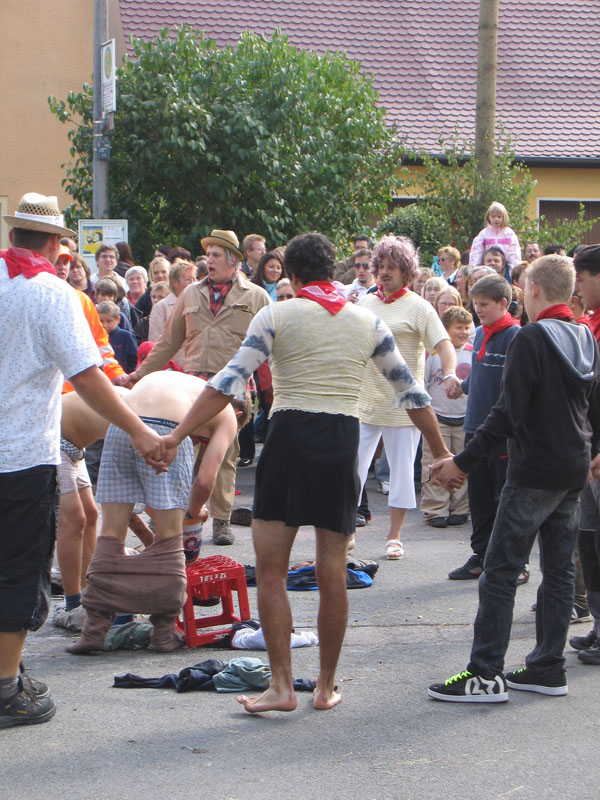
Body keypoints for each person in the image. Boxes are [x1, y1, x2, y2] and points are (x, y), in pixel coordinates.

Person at [158, 232, 450, 713]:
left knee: (271, 572)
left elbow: (227, 382)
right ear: (332, 270)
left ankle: (281, 687)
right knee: (332, 570)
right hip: (340, 444)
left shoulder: (276, 314)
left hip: (289, 440)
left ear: (291, 275)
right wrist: (440, 452)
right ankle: (326, 687)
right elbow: (411, 391)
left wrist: (176, 435)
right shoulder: (368, 320)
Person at [0, 192, 166, 728]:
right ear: (55, 245)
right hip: (20, 456)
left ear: (13, 236)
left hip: (20, 450)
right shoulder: (52, 293)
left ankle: (7, 669)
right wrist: (139, 430)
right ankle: (5, 689)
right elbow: (88, 377)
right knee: (19, 571)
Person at [428, 254, 600, 702]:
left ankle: (485, 674)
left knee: (501, 571)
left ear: (534, 289)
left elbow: (506, 412)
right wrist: (593, 450)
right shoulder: (584, 334)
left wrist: (462, 462)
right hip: (573, 467)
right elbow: (593, 405)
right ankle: (547, 667)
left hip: (535, 468)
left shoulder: (532, 337)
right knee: (559, 571)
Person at [65, 371, 250, 655]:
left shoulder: (180, 382)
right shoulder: (226, 412)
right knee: (169, 544)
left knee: (110, 537)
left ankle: (94, 630)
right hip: (166, 428)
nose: (201, 439)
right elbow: (205, 481)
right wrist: (192, 513)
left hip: (124, 427)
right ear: (238, 414)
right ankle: (163, 633)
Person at [127, 229, 270, 546]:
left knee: (225, 457)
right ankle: (165, 514)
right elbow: (168, 342)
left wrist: (273, 392)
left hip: (233, 389)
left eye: (216, 255)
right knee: (178, 452)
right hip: (190, 389)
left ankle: (221, 520)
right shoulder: (190, 294)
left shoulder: (257, 296)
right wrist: (139, 375)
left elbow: (271, 349)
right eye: (208, 255)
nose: (209, 260)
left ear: (233, 260)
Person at [356, 235, 459, 561]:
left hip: (405, 408)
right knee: (351, 470)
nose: (385, 272)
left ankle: (394, 536)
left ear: (407, 271)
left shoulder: (419, 306)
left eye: (393, 267)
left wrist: (450, 372)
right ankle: (345, 532)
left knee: (400, 473)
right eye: (381, 266)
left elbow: (444, 345)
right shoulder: (365, 303)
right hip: (364, 401)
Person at [445, 275, 523, 581]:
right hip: (474, 426)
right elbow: (480, 375)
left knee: (504, 499)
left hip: (501, 433)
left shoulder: (516, 336)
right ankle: (481, 555)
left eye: (484, 304)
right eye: (475, 304)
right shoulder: (480, 334)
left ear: (503, 304)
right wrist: (461, 386)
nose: (478, 310)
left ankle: (514, 562)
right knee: (479, 499)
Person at [569, 245, 600, 661]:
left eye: (582, 277)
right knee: (590, 542)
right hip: (590, 448)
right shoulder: (591, 324)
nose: (577, 287)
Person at [421, 306, 473, 527]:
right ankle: (435, 508)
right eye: (458, 328)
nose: (463, 332)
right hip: (438, 418)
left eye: (467, 328)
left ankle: (460, 507)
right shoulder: (433, 354)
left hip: (464, 418)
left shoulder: (473, 352)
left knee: (462, 464)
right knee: (433, 462)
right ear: (445, 329)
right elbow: (424, 383)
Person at [148, 260, 196, 364]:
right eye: (188, 279)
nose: (193, 283)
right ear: (174, 282)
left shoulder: (197, 305)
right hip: (171, 367)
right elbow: (155, 341)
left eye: (194, 279)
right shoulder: (160, 307)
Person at [469, 202, 522, 269]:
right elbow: (476, 253)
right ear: (488, 217)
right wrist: (475, 269)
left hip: (505, 268)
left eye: (499, 217)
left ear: (504, 218)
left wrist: (514, 271)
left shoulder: (509, 234)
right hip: (487, 267)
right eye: (493, 216)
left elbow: (514, 254)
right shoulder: (483, 234)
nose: (496, 219)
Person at [98, 301, 138, 373]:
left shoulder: (126, 336)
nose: (104, 325)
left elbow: (134, 360)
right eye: (101, 321)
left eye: (109, 321)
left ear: (118, 320)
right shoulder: (95, 338)